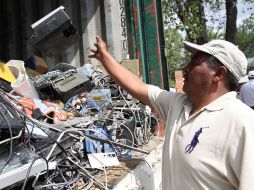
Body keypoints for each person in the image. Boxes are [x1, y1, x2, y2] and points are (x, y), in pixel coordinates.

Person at [90, 36, 254, 190]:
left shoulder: (242, 122)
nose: (185, 69)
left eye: (194, 63)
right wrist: (104, 57)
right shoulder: (178, 104)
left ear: (219, 74)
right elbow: (138, 87)